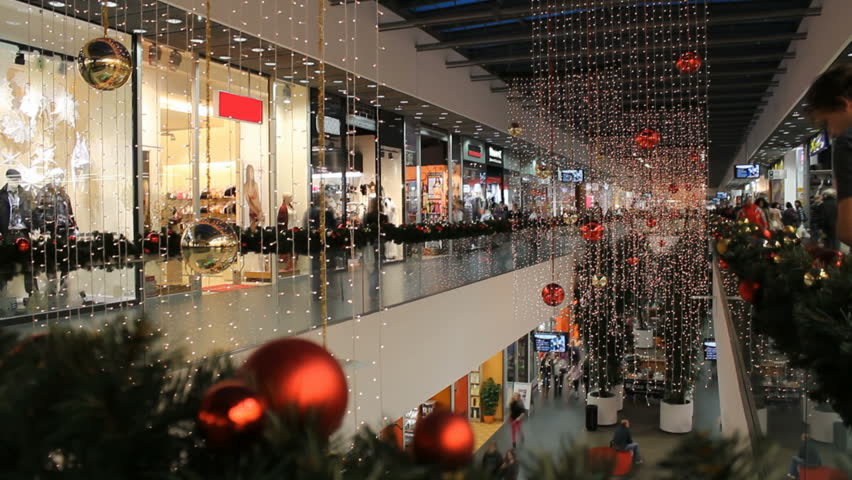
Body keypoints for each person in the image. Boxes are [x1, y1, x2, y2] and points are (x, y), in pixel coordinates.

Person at [804, 64, 852, 245]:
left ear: (843, 104)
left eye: (826, 122)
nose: (830, 132)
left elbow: (849, 230)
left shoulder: (847, 140)